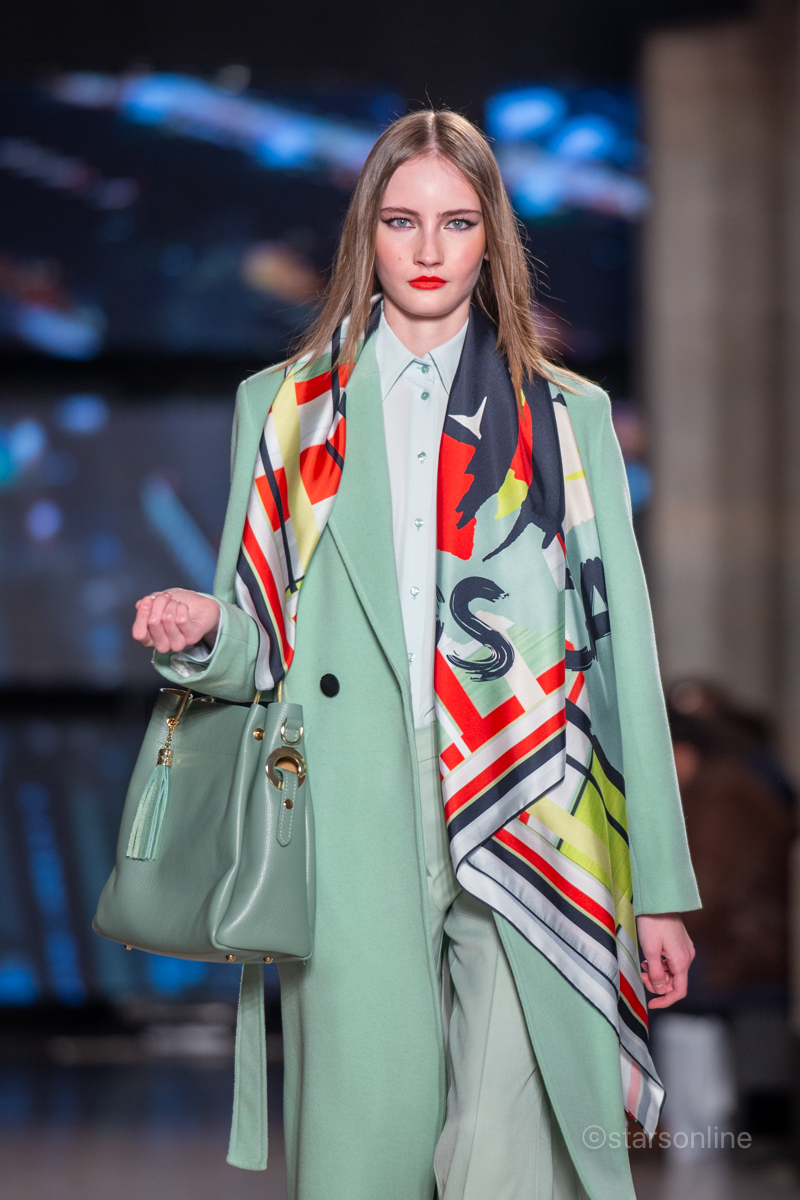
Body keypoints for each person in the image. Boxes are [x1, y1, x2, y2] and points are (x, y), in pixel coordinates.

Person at [131, 110, 699, 1200]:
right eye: (401, 221)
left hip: (532, 807)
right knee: (366, 1154)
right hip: (346, 812)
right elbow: (259, 645)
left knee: (509, 1161)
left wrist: (659, 888)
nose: (429, 249)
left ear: (492, 238)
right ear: (367, 234)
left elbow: (617, 648)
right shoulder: (284, 408)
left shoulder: (563, 415)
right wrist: (203, 630)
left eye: (456, 221)